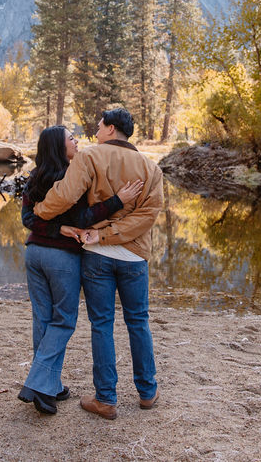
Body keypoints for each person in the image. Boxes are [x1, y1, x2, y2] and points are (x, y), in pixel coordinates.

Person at [35, 108, 164, 421]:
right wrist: (113, 233)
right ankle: (147, 392)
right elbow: (147, 216)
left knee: (102, 324)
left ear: (111, 128)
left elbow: (64, 196)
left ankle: (106, 398)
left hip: (96, 255)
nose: (95, 129)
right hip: (134, 257)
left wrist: (40, 210)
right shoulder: (151, 167)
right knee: (138, 321)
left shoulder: (90, 157)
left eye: (99, 124)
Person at [17, 124, 143, 415]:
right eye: (70, 138)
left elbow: (27, 218)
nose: (76, 141)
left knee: (43, 320)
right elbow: (84, 218)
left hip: (34, 254)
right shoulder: (71, 176)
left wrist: (54, 226)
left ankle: (50, 388)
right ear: (58, 147)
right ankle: (37, 384)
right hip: (61, 258)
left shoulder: (34, 177)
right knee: (63, 321)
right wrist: (117, 201)